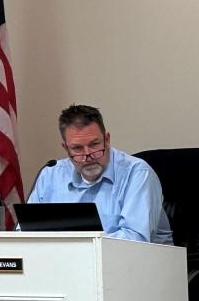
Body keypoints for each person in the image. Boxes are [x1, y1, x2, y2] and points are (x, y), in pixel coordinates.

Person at [28, 104, 174, 244]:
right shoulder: (50, 174)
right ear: (66, 148)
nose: (88, 155)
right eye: (77, 148)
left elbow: (135, 239)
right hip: (68, 263)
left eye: (94, 144)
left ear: (107, 139)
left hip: (135, 264)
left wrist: (75, 251)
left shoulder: (137, 173)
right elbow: (26, 232)